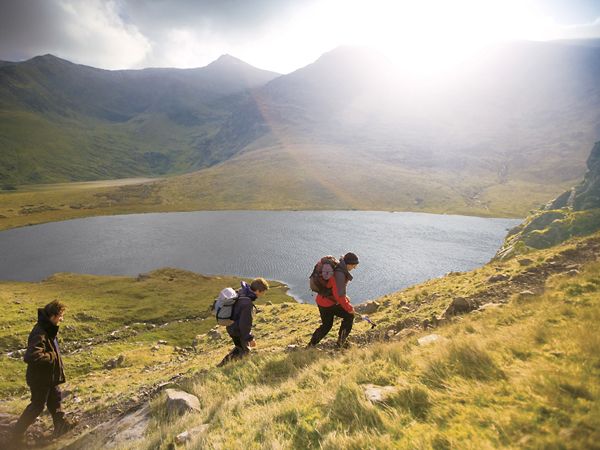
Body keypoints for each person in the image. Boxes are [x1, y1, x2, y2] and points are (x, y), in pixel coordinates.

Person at [11, 300, 76, 445]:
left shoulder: (48, 328)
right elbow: (31, 356)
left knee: (55, 400)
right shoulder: (40, 332)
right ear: (53, 316)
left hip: (49, 377)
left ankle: (61, 425)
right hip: (40, 379)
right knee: (37, 406)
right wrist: (52, 356)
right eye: (60, 316)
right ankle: (16, 436)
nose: (62, 319)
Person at [308, 252, 359, 348]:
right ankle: (341, 343)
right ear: (349, 264)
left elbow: (335, 289)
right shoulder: (340, 275)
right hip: (329, 304)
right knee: (349, 315)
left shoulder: (338, 268)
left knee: (326, 325)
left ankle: (311, 345)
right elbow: (339, 296)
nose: (354, 268)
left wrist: (345, 296)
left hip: (322, 301)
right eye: (354, 266)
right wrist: (349, 308)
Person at [218, 278, 269, 366]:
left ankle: (222, 365)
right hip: (237, 330)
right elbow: (244, 324)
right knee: (245, 352)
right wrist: (250, 339)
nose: (263, 294)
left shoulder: (242, 292)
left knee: (239, 348)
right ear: (257, 291)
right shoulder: (247, 303)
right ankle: (225, 367)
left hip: (231, 327)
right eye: (263, 292)